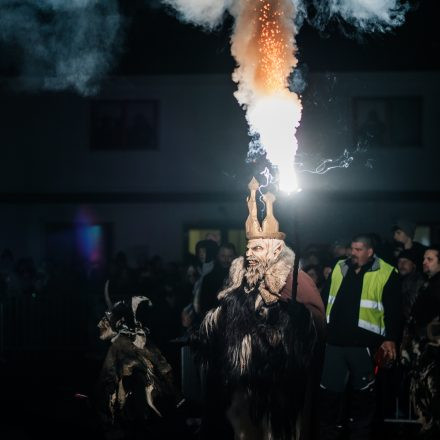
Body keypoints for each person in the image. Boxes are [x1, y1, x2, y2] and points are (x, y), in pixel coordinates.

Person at [192, 178, 326, 440]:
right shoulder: (239, 276)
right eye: (248, 247)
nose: (250, 253)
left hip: (278, 380)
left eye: (257, 247)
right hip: (242, 381)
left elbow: (317, 323)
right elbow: (221, 317)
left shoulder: (294, 279)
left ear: (276, 249)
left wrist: (300, 318)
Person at [319, 234, 401, 440]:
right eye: (351, 249)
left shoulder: (386, 272)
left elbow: (394, 310)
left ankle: (361, 435)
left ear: (369, 251)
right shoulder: (339, 267)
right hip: (334, 342)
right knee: (330, 393)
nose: (352, 253)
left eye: (358, 249)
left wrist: (390, 337)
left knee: (363, 395)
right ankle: (329, 433)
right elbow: (324, 297)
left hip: (364, 343)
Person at [401, 245, 440, 438]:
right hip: (422, 350)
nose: (425, 262)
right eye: (424, 258)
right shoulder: (427, 283)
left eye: (430, 259)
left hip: (433, 353)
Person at [198, 243, 236, 317]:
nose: (226, 259)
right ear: (217, 256)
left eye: (230, 256)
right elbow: (204, 305)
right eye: (223, 256)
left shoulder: (240, 277)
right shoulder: (208, 278)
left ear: (234, 257)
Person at [397, 249, 424, 322]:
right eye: (399, 261)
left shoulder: (418, 282)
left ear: (414, 265)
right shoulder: (399, 281)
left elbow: (411, 309)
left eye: (405, 261)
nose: (401, 264)